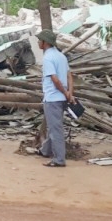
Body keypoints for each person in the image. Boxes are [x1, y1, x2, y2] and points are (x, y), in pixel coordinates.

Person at [37, 29, 73, 167]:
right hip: (61, 97)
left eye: (40, 40)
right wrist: (69, 93)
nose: (39, 42)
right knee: (54, 126)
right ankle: (45, 150)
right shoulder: (61, 56)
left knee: (55, 129)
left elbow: (55, 79)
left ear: (45, 42)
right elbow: (69, 76)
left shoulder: (47, 58)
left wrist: (65, 92)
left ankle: (59, 159)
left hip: (53, 97)